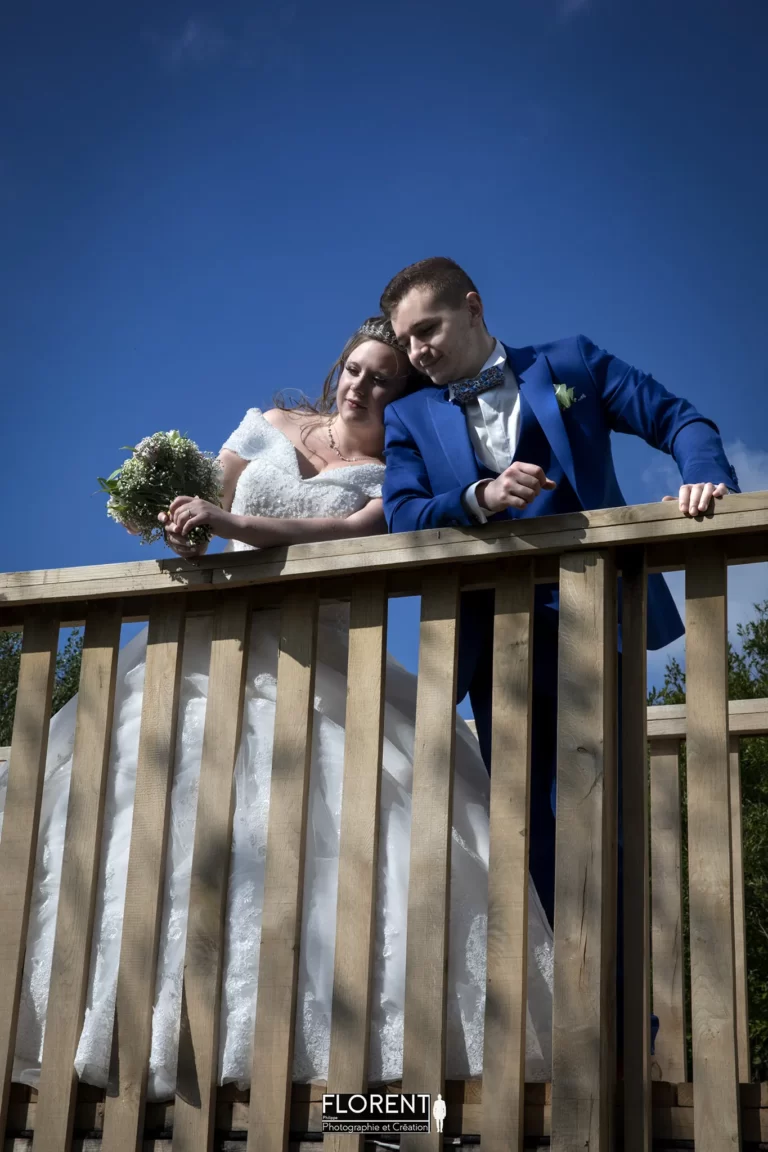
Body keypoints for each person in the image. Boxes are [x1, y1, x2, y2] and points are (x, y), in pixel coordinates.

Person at [5, 316, 555, 1103]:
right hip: (205, 651)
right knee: (160, 824)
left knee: (343, 839)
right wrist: (174, 515)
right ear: (339, 368)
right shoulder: (267, 425)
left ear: (402, 398)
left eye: (382, 380)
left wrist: (228, 522)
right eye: (355, 370)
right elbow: (211, 488)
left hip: (317, 659)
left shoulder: (388, 473)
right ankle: (150, 1051)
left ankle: (348, 1093)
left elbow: (326, 532)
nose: (361, 386)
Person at [379, 256, 740, 930]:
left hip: (602, 617)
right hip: (491, 645)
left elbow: (679, 420)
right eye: (406, 341)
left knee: (612, 815)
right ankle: (580, 1017)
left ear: (474, 305)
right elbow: (402, 513)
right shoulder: (410, 416)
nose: (417, 352)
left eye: (427, 330)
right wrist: (478, 496)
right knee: (527, 828)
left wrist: (704, 478)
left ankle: (631, 1021)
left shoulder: (570, 363)